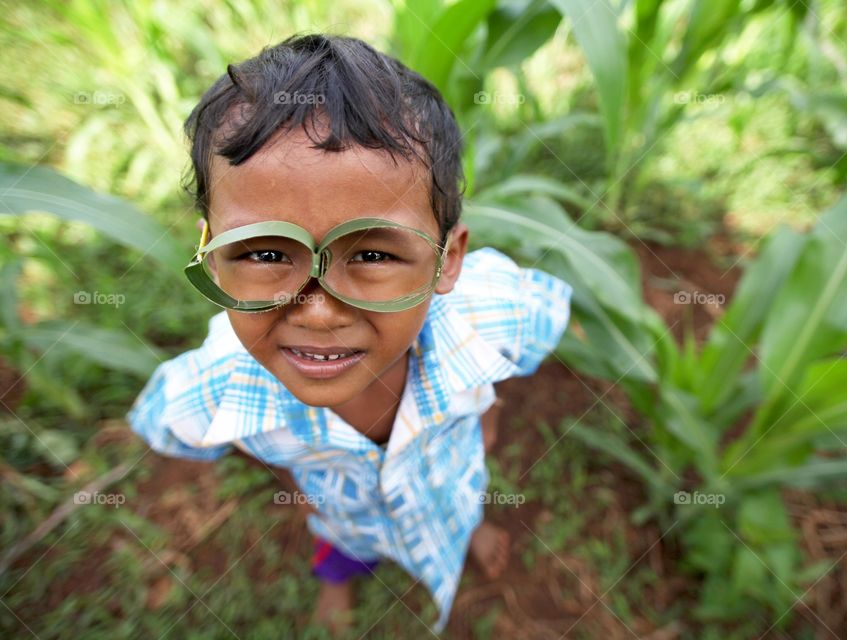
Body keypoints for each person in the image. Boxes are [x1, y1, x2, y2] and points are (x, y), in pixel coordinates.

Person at [127, 33, 572, 634]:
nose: (317, 313)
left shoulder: (494, 316)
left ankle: (467, 533)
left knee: (460, 512)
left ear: (448, 260)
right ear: (209, 255)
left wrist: (486, 421)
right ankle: (337, 580)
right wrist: (284, 468)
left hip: (453, 486)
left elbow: (524, 343)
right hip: (340, 516)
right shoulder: (215, 390)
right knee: (338, 544)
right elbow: (172, 423)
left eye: (373, 255)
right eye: (262, 253)